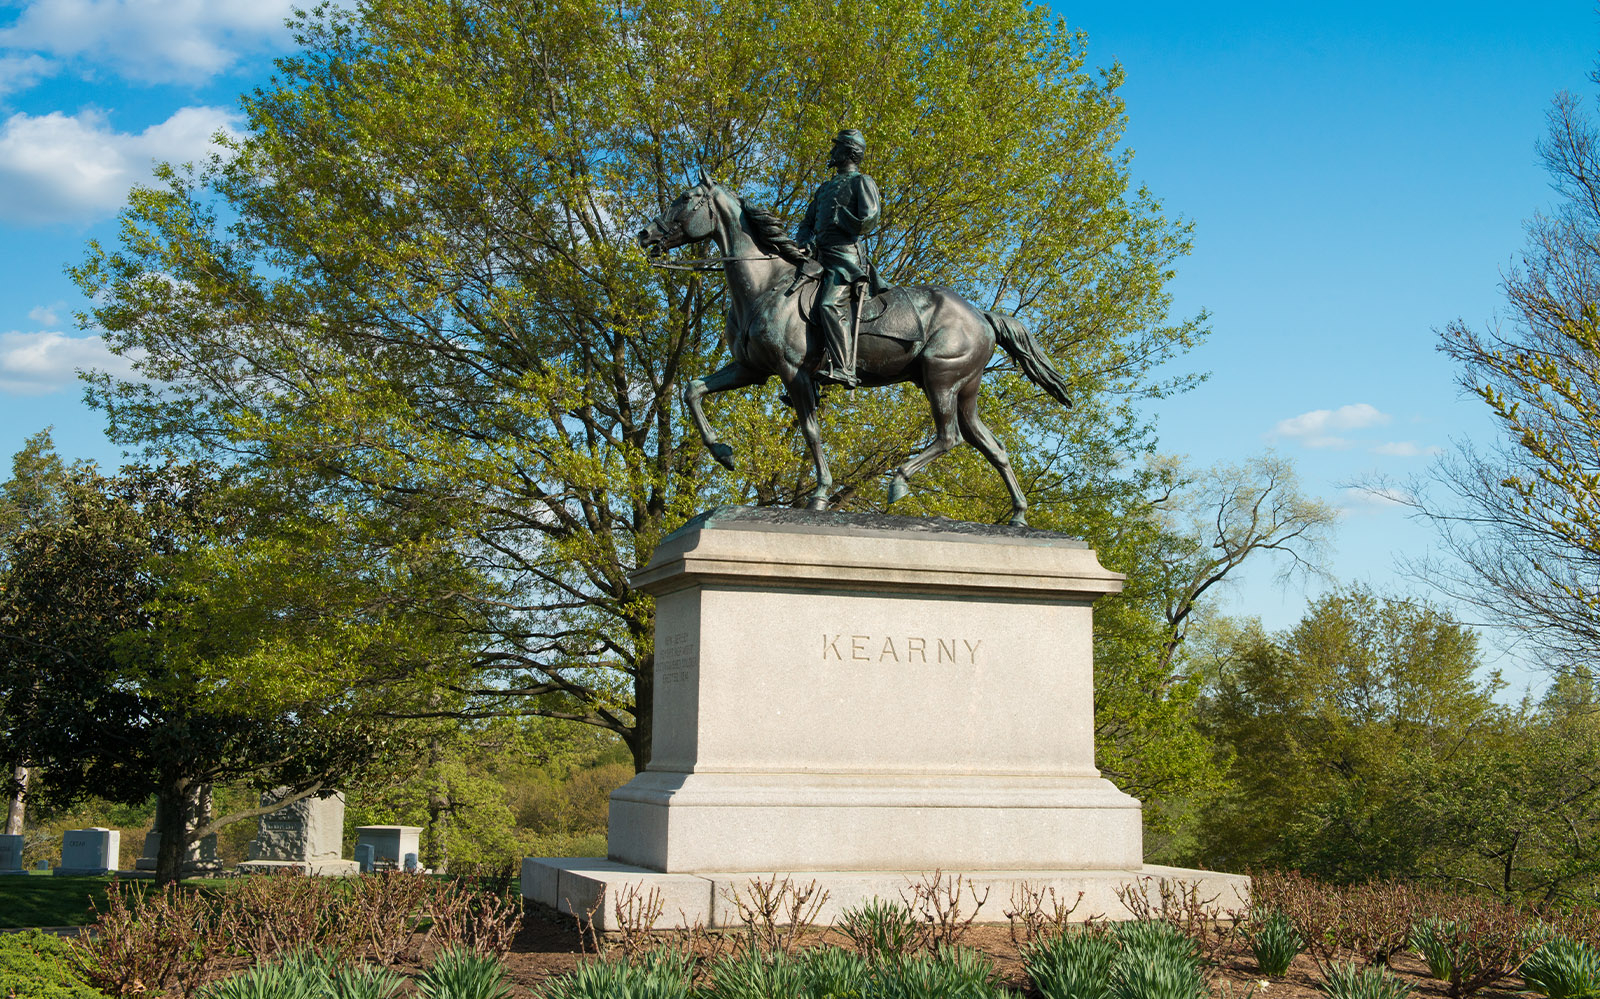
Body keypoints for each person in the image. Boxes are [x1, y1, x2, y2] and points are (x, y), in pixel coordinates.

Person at [796, 128, 880, 388]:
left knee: (829, 305)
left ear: (848, 151)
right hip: (819, 257)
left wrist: (847, 220)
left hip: (844, 260)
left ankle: (844, 368)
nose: (831, 152)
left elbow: (871, 217)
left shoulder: (861, 182)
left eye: (836, 148)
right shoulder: (823, 189)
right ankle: (807, 372)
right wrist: (805, 241)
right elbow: (806, 223)